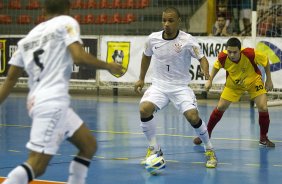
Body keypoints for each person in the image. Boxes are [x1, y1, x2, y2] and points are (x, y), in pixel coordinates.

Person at [0, 0, 123, 184]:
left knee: (88, 145)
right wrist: (108, 65)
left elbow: (10, 79)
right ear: (68, 7)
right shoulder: (66, 22)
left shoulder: (29, 37)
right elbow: (79, 57)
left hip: (39, 101)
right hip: (52, 101)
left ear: (42, 9)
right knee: (37, 165)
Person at [134, 7, 218, 168]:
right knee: (144, 109)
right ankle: (154, 149)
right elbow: (146, 56)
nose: (166, 24)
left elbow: (202, 58)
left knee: (193, 117)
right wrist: (141, 79)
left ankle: (210, 149)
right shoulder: (153, 39)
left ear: (179, 21)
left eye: (171, 21)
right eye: (164, 20)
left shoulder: (188, 40)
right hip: (159, 85)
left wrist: (205, 69)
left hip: (180, 87)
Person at [193, 37, 275, 148]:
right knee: (220, 107)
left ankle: (263, 139)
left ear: (240, 50)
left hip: (253, 81)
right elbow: (216, 67)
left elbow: (266, 61)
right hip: (234, 84)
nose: (231, 55)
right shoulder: (223, 57)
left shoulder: (250, 54)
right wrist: (210, 80)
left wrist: (269, 79)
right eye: (229, 52)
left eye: (235, 52)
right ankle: (206, 135)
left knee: (263, 107)